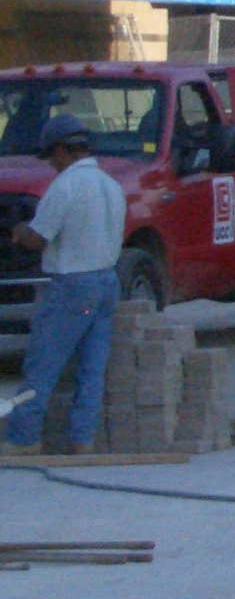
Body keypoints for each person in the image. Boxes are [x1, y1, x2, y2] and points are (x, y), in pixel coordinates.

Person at [6, 115, 127, 454]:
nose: (52, 165)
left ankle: (24, 439)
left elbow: (37, 238)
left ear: (61, 151)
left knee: (42, 364)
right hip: (106, 281)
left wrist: (19, 231)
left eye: (52, 158)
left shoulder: (66, 186)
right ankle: (81, 440)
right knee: (91, 370)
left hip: (73, 285)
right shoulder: (111, 185)